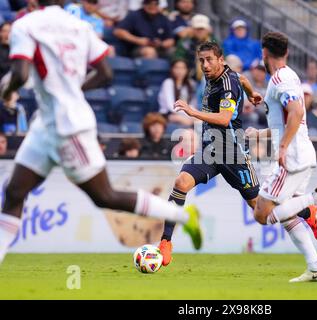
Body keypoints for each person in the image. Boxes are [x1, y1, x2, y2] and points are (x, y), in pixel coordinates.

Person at [0, 0, 202, 266]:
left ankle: (184, 214)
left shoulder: (25, 25)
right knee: (14, 192)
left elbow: (20, 72)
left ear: (33, 2)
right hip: (47, 124)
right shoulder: (80, 26)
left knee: (104, 196)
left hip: (66, 127)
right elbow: (106, 72)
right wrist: (74, 91)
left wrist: (6, 91)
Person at [245, 32, 317, 282]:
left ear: (264, 53)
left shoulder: (280, 79)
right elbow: (289, 121)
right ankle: (316, 268)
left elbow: (297, 112)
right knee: (286, 214)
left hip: (292, 157)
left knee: (261, 213)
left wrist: (282, 147)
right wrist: (263, 134)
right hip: (300, 152)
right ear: (286, 53)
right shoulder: (289, 76)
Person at [158, 41, 264, 267]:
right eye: (201, 61)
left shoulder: (226, 84)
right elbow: (242, 78)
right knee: (181, 182)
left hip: (233, 154)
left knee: (261, 212)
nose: (205, 65)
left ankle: (306, 211)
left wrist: (192, 111)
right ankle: (165, 242)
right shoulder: (219, 75)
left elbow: (225, 119)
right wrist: (252, 93)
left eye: (209, 60)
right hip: (210, 150)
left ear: (220, 60)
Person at [173, 14, 216, 80]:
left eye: (202, 29)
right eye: (197, 29)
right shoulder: (184, 42)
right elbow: (178, 57)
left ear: (207, 29)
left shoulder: (214, 42)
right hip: (189, 76)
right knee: (179, 65)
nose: (200, 31)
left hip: (210, 76)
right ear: (192, 29)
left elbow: (223, 57)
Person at [158, 59, 196, 130]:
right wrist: (188, 113)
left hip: (186, 114)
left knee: (201, 120)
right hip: (168, 114)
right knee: (184, 120)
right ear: (172, 69)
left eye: (182, 68)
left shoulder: (190, 84)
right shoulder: (168, 83)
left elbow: (192, 104)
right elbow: (171, 107)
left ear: (187, 70)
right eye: (177, 68)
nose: (180, 71)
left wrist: (193, 113)